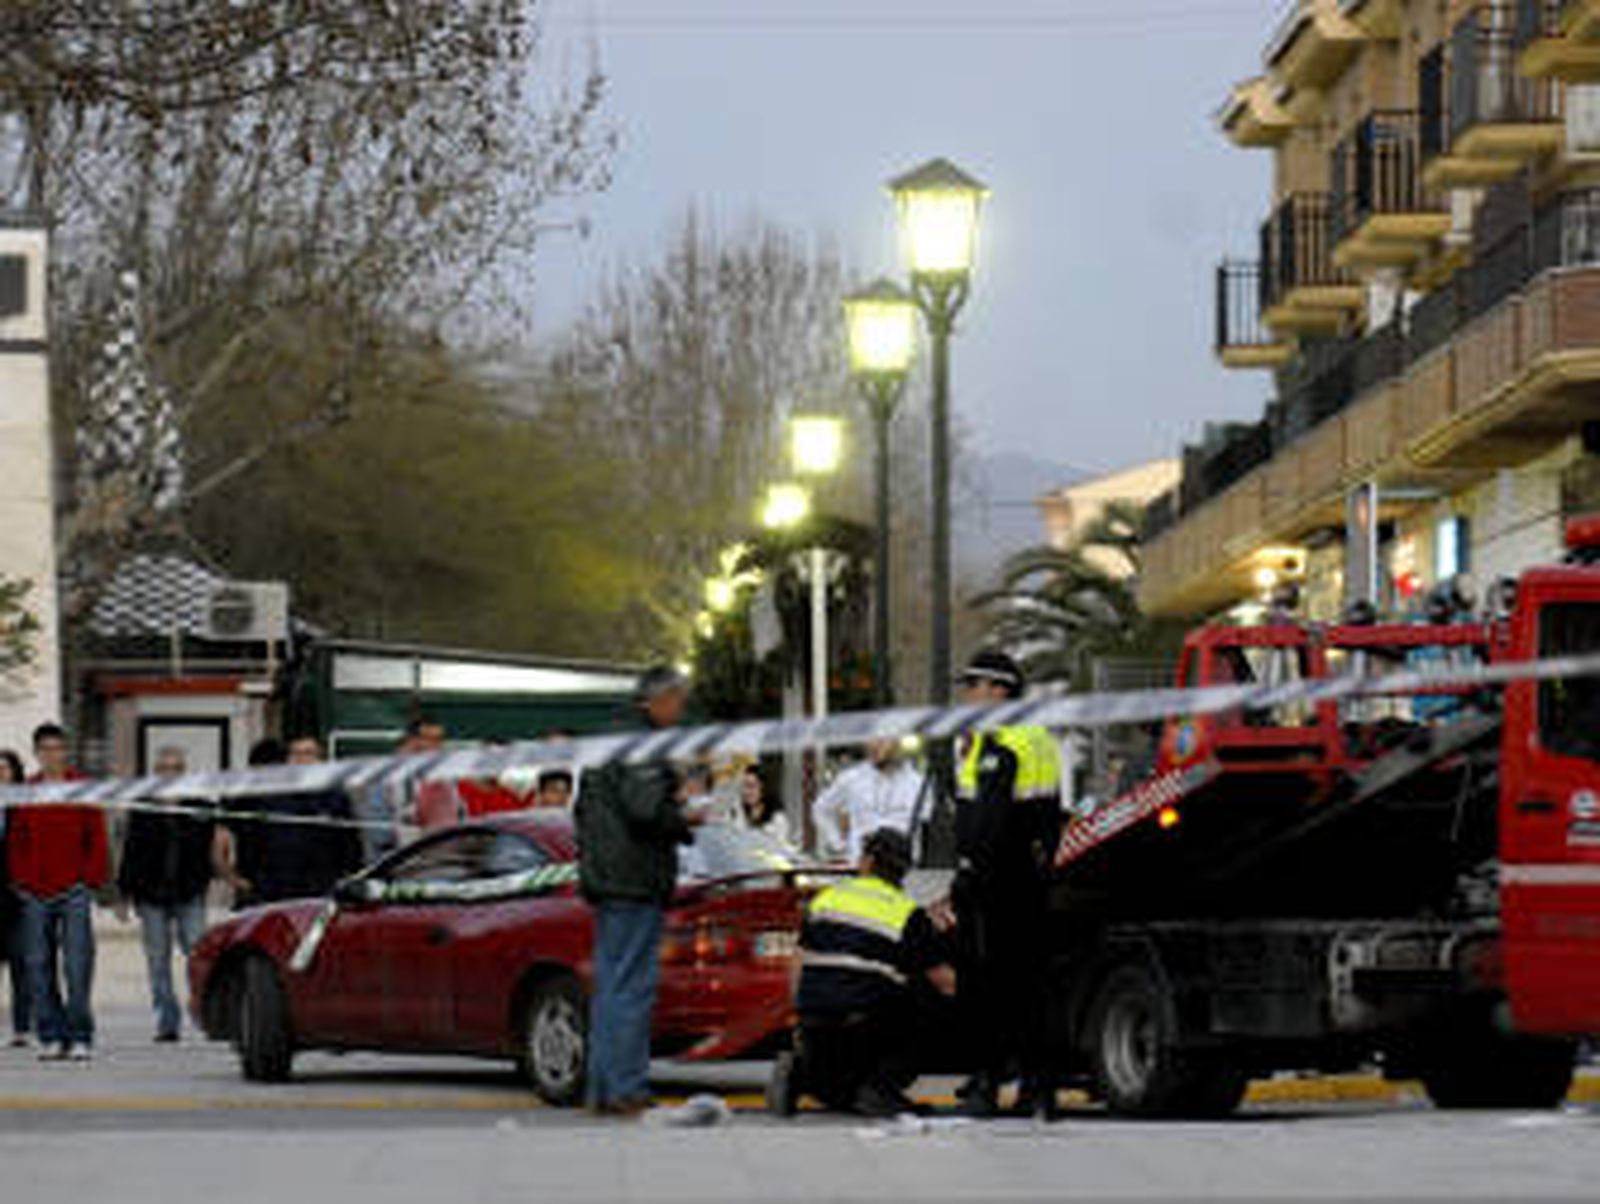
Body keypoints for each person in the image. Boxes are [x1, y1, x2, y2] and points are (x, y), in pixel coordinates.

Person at [574, 666, 704, 1117]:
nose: (679, 712)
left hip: (608, 878)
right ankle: (626, 1088)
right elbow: (646, 809)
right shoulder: (643, 744)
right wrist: (685, 812)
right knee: (633, 986)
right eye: (678, 703)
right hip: (635, 878)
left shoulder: (611, 738)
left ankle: (602, 1087)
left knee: (611, 985)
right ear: (660, 699)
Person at [771, 827, 956, 1118]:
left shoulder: (825, 899)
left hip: (813, 1019)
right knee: (928, 996)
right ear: (903, 871)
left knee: (837, 1081)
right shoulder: (907, 913)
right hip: (865, 1027)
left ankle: (800, 1073)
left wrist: (799, 1014)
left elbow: (797, 964)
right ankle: (882, 1088)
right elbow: (945, 983)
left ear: (867, 862)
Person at [950, 650, 1064, 1118]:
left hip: (997, 883)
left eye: (974, 685)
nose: (967, 694)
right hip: (1033, 882)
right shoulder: (1038, 739)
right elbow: (1048, 818)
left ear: (999, 691)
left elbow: (987, 824)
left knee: (989, 988)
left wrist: (968, 875)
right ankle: (1039, 1088)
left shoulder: (1001, 744)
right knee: (1032, 989)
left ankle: (986, 1084)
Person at [8, 723, 107, 1061]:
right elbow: (16, 841)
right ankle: (51, 1034)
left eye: (57, 748)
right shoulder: (26, 791)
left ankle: (80, 1035)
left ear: (66, 752)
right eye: (45, 749)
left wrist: (89, 880)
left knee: (78, 964)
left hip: (74, 890)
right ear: (36, 753)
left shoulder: (81, 788)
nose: (52, 755)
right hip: (34, 891)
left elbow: (97, 837)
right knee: (37, 965)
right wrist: (20, 881)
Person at [116, 747, 227, 1042]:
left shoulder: (200, 805)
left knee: (198, 953)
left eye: (176, 768)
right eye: (164, 768)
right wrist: (123, 894)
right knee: (157, 961)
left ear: (184, 771)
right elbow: (130, 850)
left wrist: (218, 873)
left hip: (189, 891)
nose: (170, 773)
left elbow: (215, 842)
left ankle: (208, 1013)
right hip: (150, 894)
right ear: (156, 772)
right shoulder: (143, 805)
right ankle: (168, 1019)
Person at [233, 736, 364, 906]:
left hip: (321, 890)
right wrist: (244, 879)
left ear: (320, 759)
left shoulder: (335, 797)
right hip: (273, 892)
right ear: (287, 759)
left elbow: (350, 842)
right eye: (296, 753)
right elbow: (247, 834)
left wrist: (348, 877)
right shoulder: (268, 794)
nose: (302, 759)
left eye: (309, 753)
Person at [812, 739, 925, 864]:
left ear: (898, 743)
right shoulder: (852, 778)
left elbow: (925, 823)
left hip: (902, 866)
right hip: (860, 863)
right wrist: (838, 844)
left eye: (882, 740)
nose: (873, 746)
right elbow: (821, 808)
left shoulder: (918, 783)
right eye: (868, 740)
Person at [0, 748, 31, 1045]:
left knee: (21, 964)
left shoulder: (24, 806)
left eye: (5, 768)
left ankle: (22, 1028)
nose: (1, 773)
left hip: (18, 897)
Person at [738, 765, 791, 846]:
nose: (746, 792)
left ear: (763, 788)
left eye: (751, 786)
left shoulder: (777, 819)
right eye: (744, 786)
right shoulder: (739, 813)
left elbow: (781, 849)